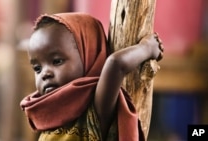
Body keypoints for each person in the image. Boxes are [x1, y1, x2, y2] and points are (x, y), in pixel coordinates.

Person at [20, 12, 163, 141]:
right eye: (37, 68)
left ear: (89, 56)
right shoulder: (50, 116)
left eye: (57, 61)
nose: (45, 73)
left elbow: (115, 65)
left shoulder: (95, 109)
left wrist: (147, 48)